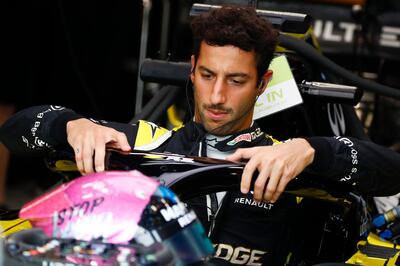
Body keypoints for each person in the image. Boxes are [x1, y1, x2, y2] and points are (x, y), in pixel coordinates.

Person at [1, 5, 400, 265]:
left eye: (237, 80)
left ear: (262, 84)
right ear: (192, 69)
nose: (217, 95)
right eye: (207, 75)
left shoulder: (284, 161)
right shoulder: (141, 141)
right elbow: (13, 131)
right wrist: (71, 124)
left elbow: (391, 172)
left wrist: (314, 150)